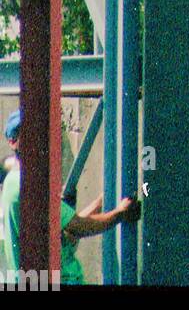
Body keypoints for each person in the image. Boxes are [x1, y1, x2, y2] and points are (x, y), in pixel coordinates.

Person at [1, 108, 140, 283]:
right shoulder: (28, 184)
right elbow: (78, 227)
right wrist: (120, 213)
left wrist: (101, 203)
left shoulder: (15, 181)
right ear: (13, 142)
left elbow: (68, 232)